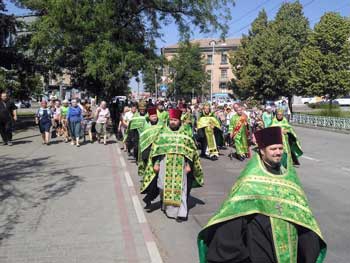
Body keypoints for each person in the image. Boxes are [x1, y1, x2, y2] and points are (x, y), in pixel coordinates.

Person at [197, 126, 327, 263]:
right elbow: (232, 222)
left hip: (291, 248)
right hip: (260, 247)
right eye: (273, 149)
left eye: (280, 148)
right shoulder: (250, 181)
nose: (278, 153)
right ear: (262, 151)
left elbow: (303, 215)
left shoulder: (289, 178)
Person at [141, 108, 204, 222]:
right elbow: (156, 151)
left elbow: (191, 151)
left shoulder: (185, 135)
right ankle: (166, 206)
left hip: (181, 165)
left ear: (179, 121)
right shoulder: (163, 134)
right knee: (163, 186)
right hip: (164, 163)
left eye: (175, 120)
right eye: (171, 120)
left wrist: (189, 165)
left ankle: (182, 213)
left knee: (181, 189)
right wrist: (156, 164)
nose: (173, 122)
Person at [139, 107, 163, 208]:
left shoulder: (162, 126)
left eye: (155, 115)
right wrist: (145, 157)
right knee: (153, 178)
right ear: (149, 116)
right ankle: (149, 197)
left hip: (160, 154)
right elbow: (143, 141)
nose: (154, 117)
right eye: (152, 116)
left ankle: (150, 198)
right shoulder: (146, 126)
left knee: (159, 179)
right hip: (149, 155)